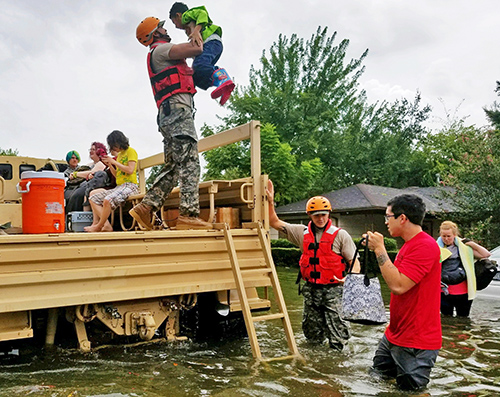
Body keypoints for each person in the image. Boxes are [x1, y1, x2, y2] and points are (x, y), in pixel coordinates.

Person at [131, 17, 212, 231]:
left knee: (174, 166)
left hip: (168, 114)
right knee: (190, 162)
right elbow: (196, 48)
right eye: (161, 27)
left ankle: (146, 207)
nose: (166, 29)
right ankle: (188, 215)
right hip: (177, 113)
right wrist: (195, 28)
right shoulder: (161, 50)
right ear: (155, 33)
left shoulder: (157, 54)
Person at [266, 180, 360, 351]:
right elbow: (274, 222)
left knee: (338, 337)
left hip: (334, 291)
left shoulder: (341, 235)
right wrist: (271, 202)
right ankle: (314, 365)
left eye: (324, 214)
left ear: (329, 214)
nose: (321, 218)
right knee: (311, 337)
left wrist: (350, 278)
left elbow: (355, 263)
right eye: (316, 215)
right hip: (311, 291)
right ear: (310, 215)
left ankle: (338, 367)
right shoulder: (300, 233)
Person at [364, 194, 441, 391]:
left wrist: (379, 249)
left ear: (403, 218)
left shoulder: (425, 246)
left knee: (411, 391)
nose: (386, 222)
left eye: (388, 217)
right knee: (378, 379)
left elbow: (398, 285)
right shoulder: (409, 244)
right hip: (394, 334)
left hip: (416, 341)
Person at [169, 2, 235, 105]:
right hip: (213, 46)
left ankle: (223, 77)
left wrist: (196, 30)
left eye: (174, 22)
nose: (176, 27)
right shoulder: (189, 24)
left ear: (178, 15)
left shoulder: (187, 15)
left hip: (211, 42)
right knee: (196, 75)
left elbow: (202, 13)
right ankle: (222, 85)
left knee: (199, 65)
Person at [84, 130, 139, 232]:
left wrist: (114, 162)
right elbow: (117, 175)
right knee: (93, 198)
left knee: (108, 200)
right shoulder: (120, 155)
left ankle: (99, 226)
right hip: (120, 186)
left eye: (113, 145)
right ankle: (106, 225)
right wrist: (110, 164)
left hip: (130, 186)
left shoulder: (131, 151)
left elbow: (130, 170)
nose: (112, 148)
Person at [437, 220, 490, 317]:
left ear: (454, 235)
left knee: (463, 319)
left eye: (449, 236)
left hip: (463, 291)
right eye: (443, 236)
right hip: (443, 291)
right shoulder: (436, 248)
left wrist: (472, 244)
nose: (446, 239)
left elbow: (486, 254)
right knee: (445, 319)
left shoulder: (465, 248)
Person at [65, 142, 108, 213]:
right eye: (90, 149)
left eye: (93, 149)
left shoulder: (102, 163)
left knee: (77, 195)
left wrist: (76, 174)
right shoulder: (89, 164)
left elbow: (91, 173)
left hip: (93, 187)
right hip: (82, 185)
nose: (91, 151)